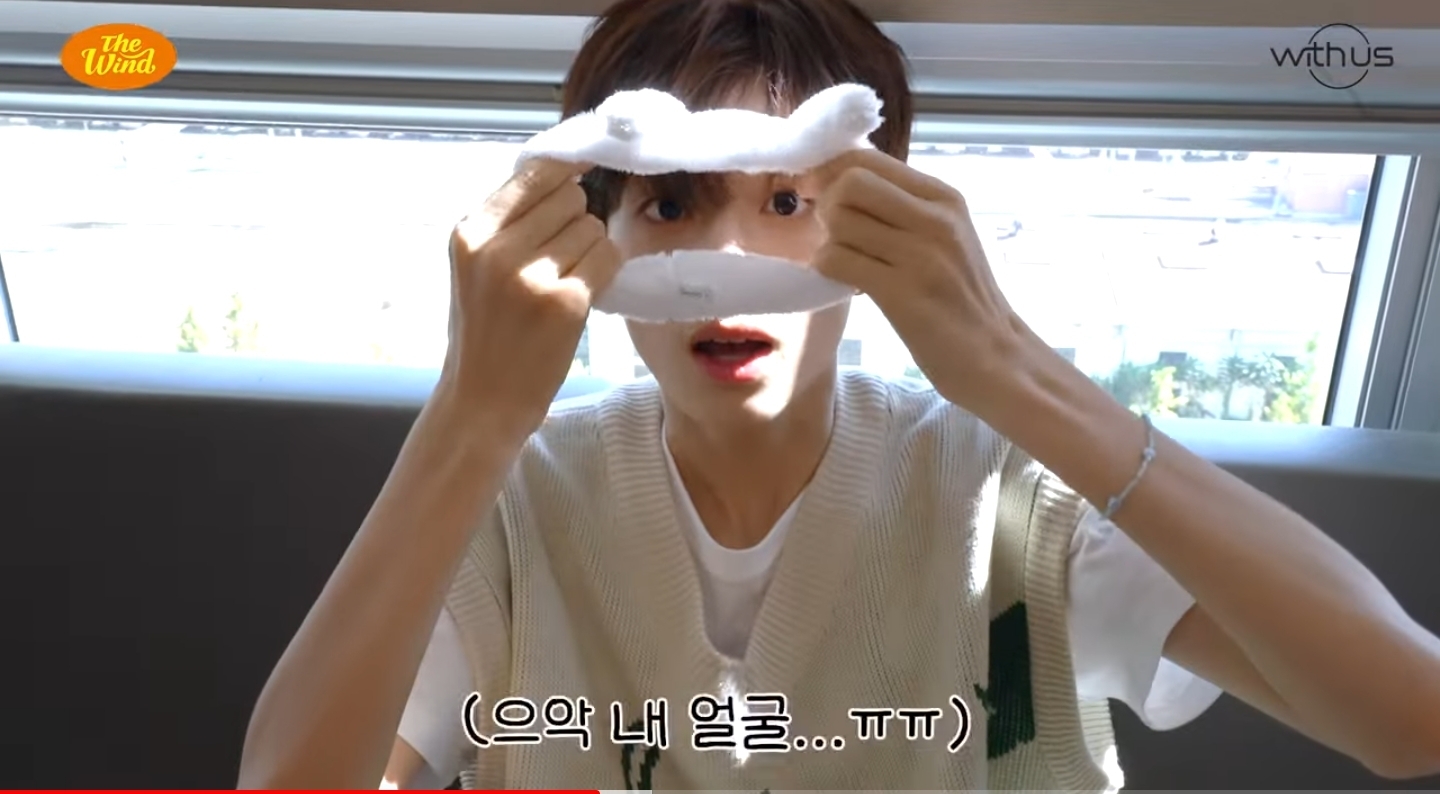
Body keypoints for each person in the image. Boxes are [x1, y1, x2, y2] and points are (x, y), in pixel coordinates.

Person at [236, 0, 1440, 789]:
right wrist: (470, 416)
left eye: (786, 201)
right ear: (599, 229)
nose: (726, 259)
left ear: (882, 217)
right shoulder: (512, 507)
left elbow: (1410, 715)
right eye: (671, 201)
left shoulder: (1013, 497)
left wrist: (1013, 369)